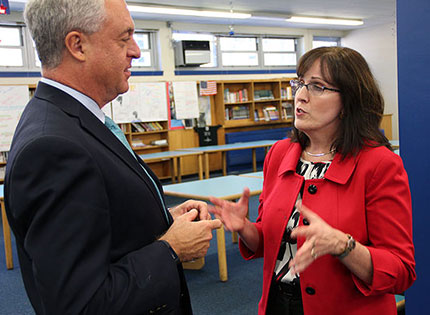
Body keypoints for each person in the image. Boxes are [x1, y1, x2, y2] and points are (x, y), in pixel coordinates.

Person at [4, 0, 221, 314]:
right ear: (78, 45)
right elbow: (80, 304)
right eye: (125, 37)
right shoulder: (53, 148)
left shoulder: (72, 120)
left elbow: (98, 218)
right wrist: (171, 248)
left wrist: (161, 219)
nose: (136, 51)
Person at [209, 46, 416, 314]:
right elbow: (275, 240)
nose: (300, 96)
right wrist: (246, 229)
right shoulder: (280, 154)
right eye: (300, 83)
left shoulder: (379, 164)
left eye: (317, 86)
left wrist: (343, 245)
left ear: (348, 101)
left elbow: (401, 271)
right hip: (277, 304)